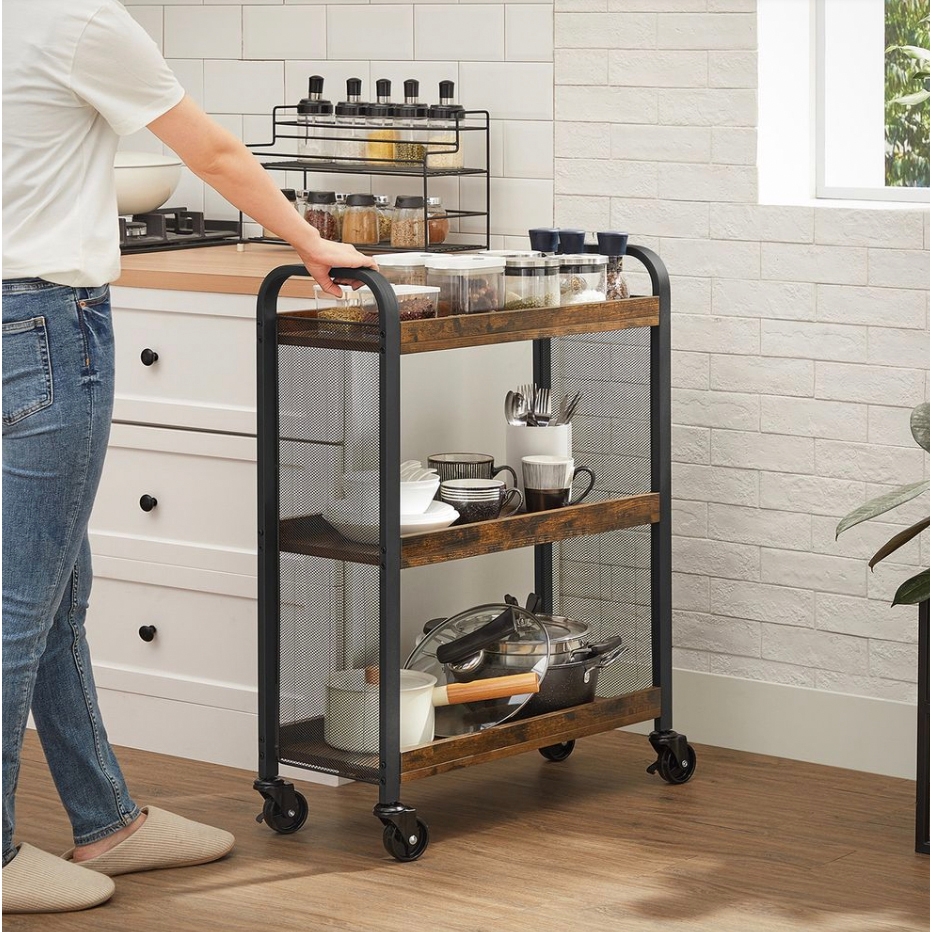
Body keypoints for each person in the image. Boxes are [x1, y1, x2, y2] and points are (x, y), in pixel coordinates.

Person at [2, 0, 378, 914]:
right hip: (48, 323)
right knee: (19, 602)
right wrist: (307, 238)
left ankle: (107, 821)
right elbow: (207, 152)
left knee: (51, 591)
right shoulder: (79, 20)